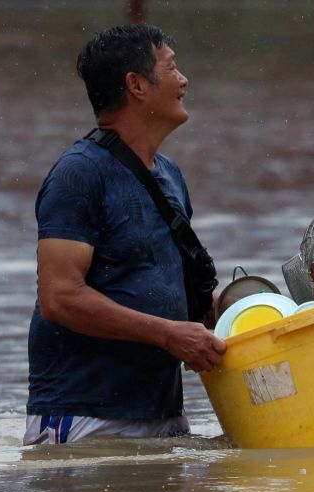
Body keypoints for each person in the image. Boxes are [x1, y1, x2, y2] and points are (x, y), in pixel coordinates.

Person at [25, 24, 225, 446]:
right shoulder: (79, 174)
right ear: (136, 84)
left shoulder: (168, 174)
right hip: (85, 417)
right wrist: (169, 334)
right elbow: (59, 297)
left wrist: (278, 313)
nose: (184, 79)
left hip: (165, 415)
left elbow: (186, 297)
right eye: (171, 68)